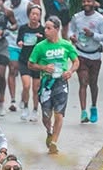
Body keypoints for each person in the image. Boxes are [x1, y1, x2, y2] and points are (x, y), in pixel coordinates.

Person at [27, 16, 80, 154]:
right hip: (46, 84)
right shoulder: (40, 47)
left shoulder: (66, 45)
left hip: (61, 82)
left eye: (49, 28)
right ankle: (49, 131)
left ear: (57, 29)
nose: (46, 30)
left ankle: (54, 142)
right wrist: (44, 68)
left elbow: (76, 62)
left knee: (59, 113)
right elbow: (30, 64)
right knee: (46, 115)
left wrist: (70, 71)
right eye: (45, 28)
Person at [69, 0, 103, 124]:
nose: (86, 4)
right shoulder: (77, 17)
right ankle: (83, 112)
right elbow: (70, 31)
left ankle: (93, 106)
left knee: (93, 83)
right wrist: (72, 37)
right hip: (80, 54)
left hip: (95, 55)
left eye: (89, 2)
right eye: (84, 2)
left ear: (94, 3)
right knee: (83, 82)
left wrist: (92, 34)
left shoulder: (100, 19)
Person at [16, 4, 46, 121]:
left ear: (40, 17)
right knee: (26, 85)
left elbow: (45, 45)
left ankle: (35, 110)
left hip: (37, 63)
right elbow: (19, 39)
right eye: (32, 14)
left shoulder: (42, 30)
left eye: (37, 14)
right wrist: (20, 43)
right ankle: (25, 106)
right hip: (24, 60)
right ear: (29, 15)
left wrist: (40, 38)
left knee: (36, 88)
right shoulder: (23, 28)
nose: (34, 16)